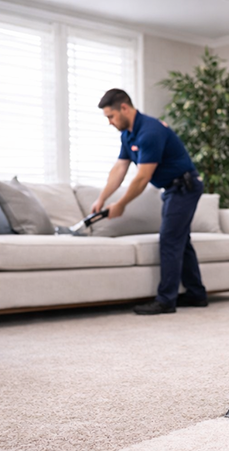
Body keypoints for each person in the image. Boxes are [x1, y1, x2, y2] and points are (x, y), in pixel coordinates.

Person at [92, 88, 208, 315]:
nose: (110, 122)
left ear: (124, 108)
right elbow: (119, 169)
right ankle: (196, 294)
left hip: (185, 187)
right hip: (173, 188)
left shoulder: (150, 131)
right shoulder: (128, 134)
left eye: (111, 116)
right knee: (180, 240)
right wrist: (102, 198)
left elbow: (143, 177)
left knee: (169, 238)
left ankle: (165, 300)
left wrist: (121, 204)